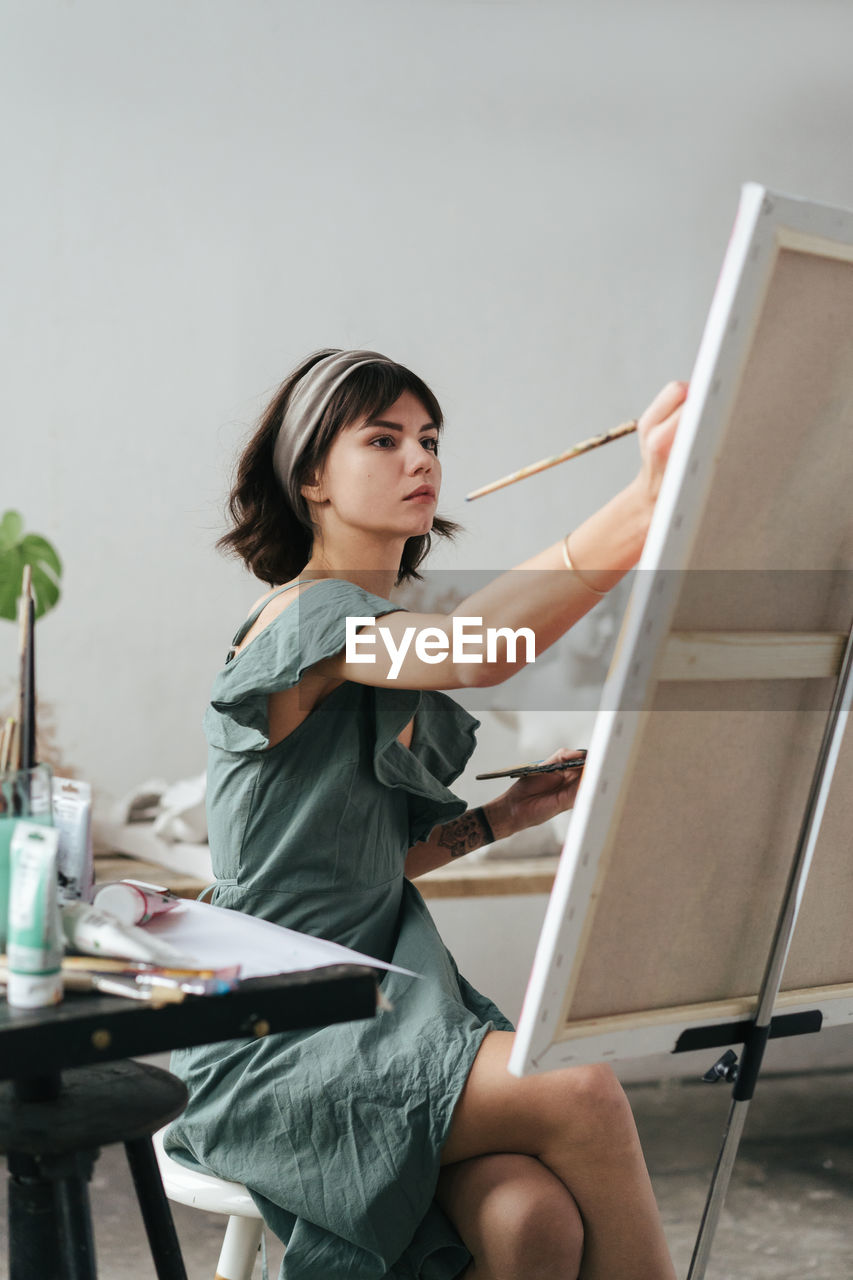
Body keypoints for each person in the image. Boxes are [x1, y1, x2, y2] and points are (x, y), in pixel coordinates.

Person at [166, 348, 687, 1280]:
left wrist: (500, 818)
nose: (421, 460)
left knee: (532, 1221)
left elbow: (354, 869)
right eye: (383, 438)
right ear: (311, 477)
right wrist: (645, 504)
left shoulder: (379, 643)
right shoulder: (306, 624)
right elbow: (480, 647)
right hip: (273, 1037)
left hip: (383, 1007)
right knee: (584, 1094)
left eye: (429, 440)